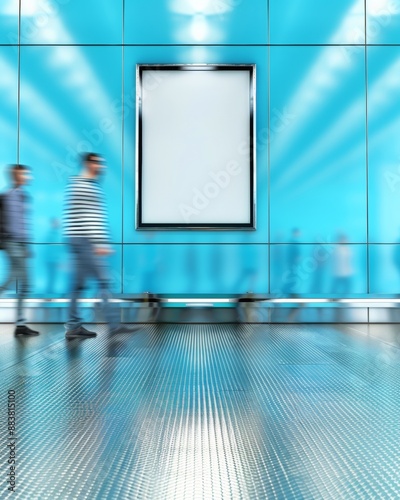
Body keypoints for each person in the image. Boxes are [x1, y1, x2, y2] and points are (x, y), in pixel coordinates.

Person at [63, 153, 139, 339]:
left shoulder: (83, 184)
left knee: (78, 286)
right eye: (98, 163)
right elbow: (88, 218)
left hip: (78, 239)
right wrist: (98, 243)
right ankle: (114, 326)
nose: (101, 166)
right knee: (103, 281)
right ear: (89, 164)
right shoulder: (83, 186)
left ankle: (73, 326)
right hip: (85, 240)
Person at [0, 164, 39, 336]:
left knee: (20, 282)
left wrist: (27, 246)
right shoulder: (6, 196)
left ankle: (21, 325)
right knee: (19, 279)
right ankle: (20, 324)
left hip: (21, 244)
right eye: (25, 174)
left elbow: (23, 223)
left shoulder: (24, 196)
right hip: (11, 243)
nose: (28, 177)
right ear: (17, 176)